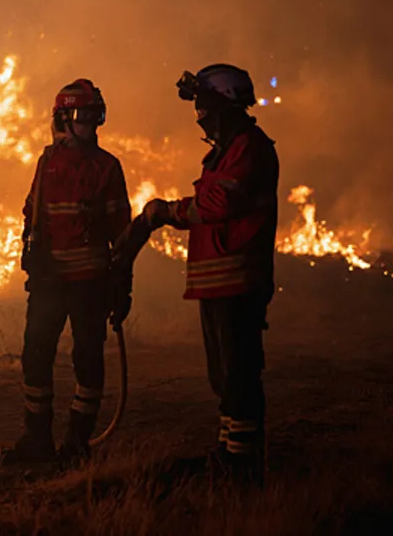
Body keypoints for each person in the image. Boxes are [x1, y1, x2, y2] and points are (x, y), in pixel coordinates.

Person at [143, 63, 279, 484]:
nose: (198, 112)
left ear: (223, 102)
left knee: (239, 372)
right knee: (223, 374)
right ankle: (228, 453)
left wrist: (168, 212)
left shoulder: (249, 148)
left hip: (238, 280)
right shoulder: (225, 151)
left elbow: (218, 206)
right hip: (218, 282)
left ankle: (243, 465)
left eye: (202, 101)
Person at [3, 79, 133, 467]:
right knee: (35, 355)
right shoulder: (46, 162)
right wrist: (30, 253)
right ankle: (37, 437)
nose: (92, 125)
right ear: (64, 118)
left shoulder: (107, 167)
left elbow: (121, 231)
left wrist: (121, 283)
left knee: (88, 358)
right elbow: (33, 212)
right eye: (84, 116)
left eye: (96, 117)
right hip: (49, 281)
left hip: (90, 284)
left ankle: (77, 442)